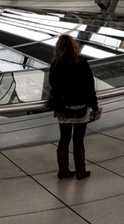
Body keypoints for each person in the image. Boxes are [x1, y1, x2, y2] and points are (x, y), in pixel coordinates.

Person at [48, 34, 99, 179]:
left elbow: (53, 86)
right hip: (81, 106)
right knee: (78, 139)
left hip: (63, 108)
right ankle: (81, 171)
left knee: (64, 138)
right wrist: (94, 105)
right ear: (74, 46)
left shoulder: (55, 64)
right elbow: (90, 85)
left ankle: (63, 170)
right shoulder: (82, 62)